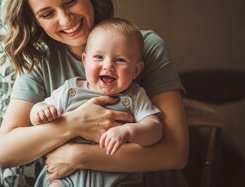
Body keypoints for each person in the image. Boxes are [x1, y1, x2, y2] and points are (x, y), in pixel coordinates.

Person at [0, 0, 189, 186]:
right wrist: (74, 123)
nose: (66, 20)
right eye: (47, 14)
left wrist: (79, 156)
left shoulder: (147, 46)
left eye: (71, 0)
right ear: (35, 20)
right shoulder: (40, 61)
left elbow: (175, 152)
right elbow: (6, 153)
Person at [30, 18, 163, 186]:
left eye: (120, 60)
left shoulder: (135, 96)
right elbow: (38, 114)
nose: (108, 66)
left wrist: (129, 131)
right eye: (99, 57)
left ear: (136, 70)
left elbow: (155, 130)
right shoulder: (68, 91)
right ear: (85, 61)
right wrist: (39, 111)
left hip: (117, 179)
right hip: (67, 179)